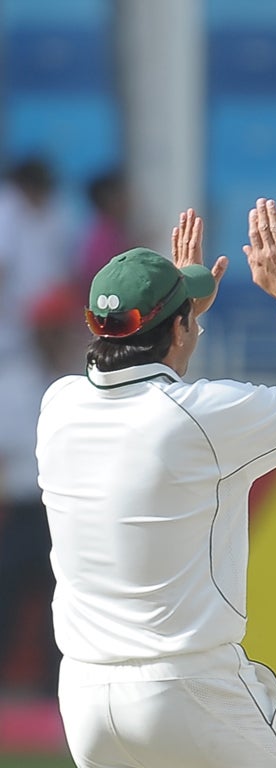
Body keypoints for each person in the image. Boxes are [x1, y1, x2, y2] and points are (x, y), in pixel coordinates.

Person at [35, 201, 276, 768]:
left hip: (86, 696)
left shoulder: (58, 404)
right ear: (180, 326)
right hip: (186, 688)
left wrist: (179, 319)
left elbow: (152, 378)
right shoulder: (201, 418)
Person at [0, 155, 72, 696]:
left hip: (54, 506)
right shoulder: (22, 377)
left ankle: (53, 687)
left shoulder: (64, 379)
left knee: (59, 602)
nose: (59, 334)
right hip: (21, 507)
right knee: (9, 597)